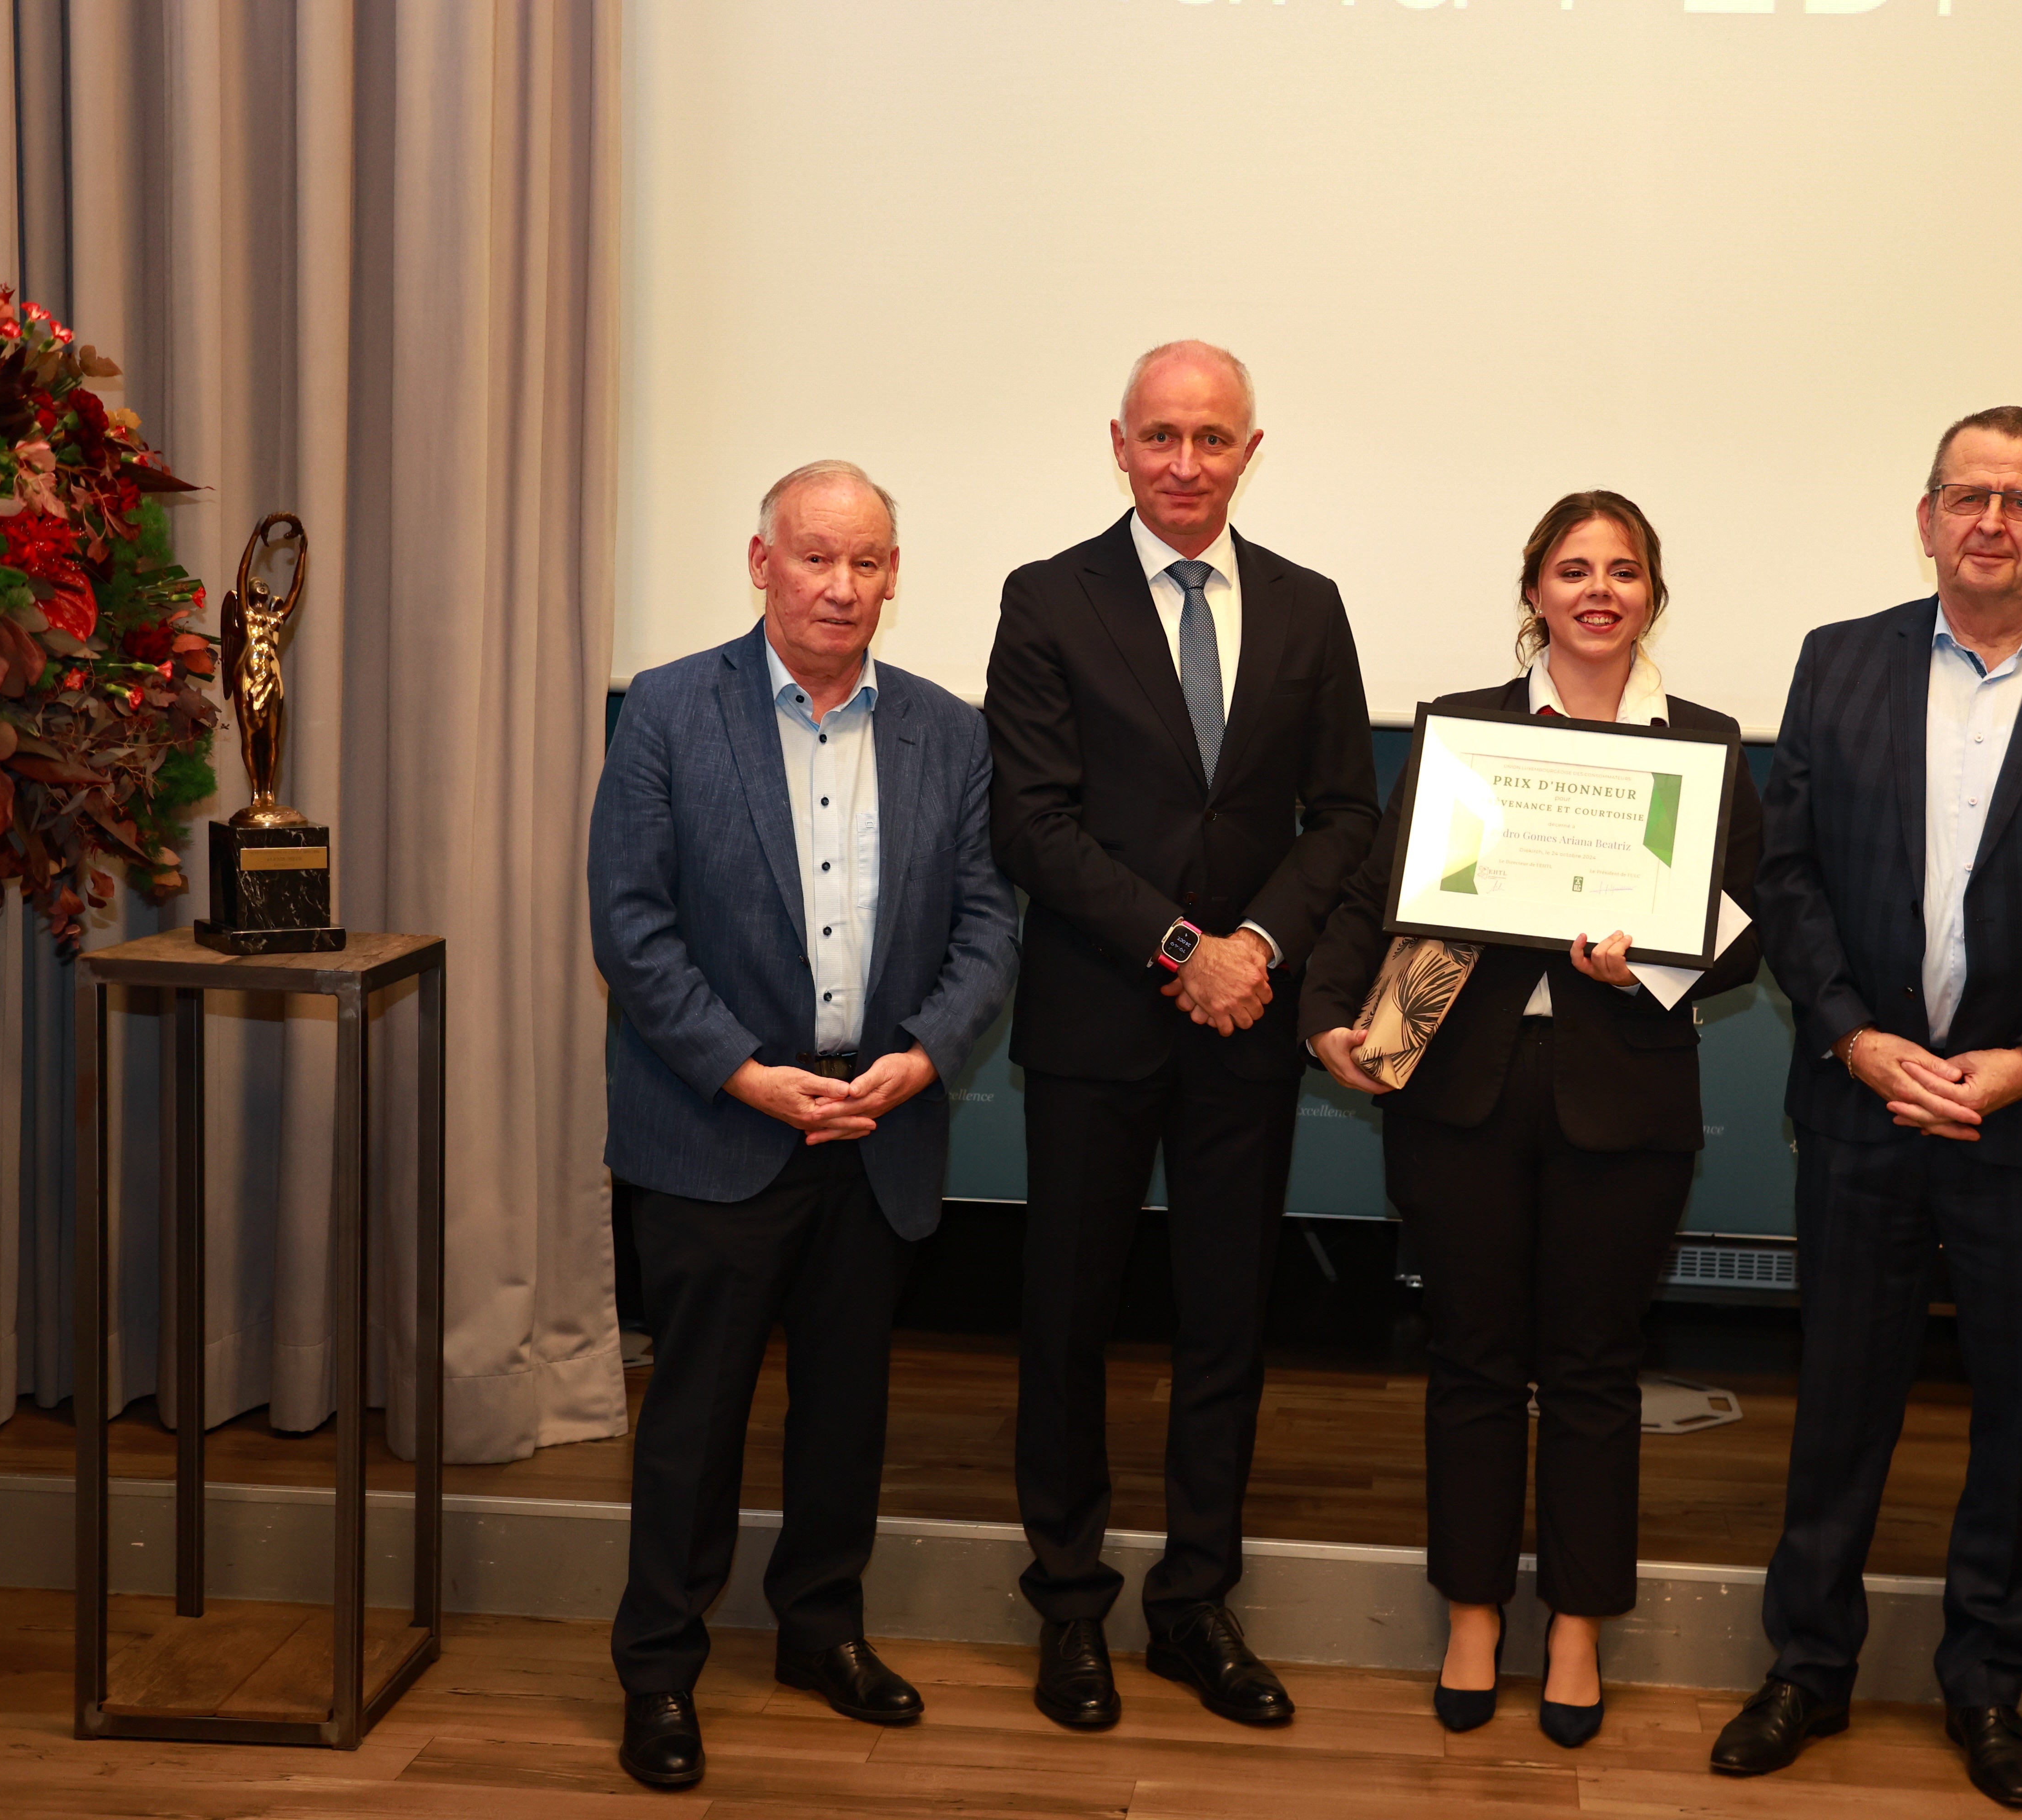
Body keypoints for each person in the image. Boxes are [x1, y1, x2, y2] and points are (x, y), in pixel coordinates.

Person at [1715, 409, 2022, 1809]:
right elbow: (1788, 875)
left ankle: (1988, 1682)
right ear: (1925, 518)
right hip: (1866, 1104)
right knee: (1839, 1405)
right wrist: (1856, 1040)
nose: (1991, 520)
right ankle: (1809, 1667)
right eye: (1967, 495)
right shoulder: (1840, 661)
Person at [1302, 491, 1760, 1749]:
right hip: (1464, 1094)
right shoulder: (1466, 731)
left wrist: (1646, 959)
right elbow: (1385, 890)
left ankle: (1575, 1629)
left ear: (1652, 596)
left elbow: (1742, 941)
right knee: (1472, 1362)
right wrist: (1329, 1014)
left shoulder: (1705, 744)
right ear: (1535, 593)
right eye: (1573, 570)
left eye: (1623, 571)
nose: (1598, 591)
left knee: (1597, 1371)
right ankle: (1471, 1616)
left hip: (1627, 1101)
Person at [591, 461, 1018, 1789]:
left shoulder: (950, 731)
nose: (842, 586)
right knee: (695, 1422)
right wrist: (745, 1074)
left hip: (876, 1127)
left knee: (847, 1410)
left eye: (867, 562)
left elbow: (990, 922)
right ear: (761, 561)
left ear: (894, 577)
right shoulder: (670, 711)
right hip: (719, 1125)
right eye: (817, 557)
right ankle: (660, 1672)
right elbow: (632, 927)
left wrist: (923, 1058)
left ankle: (820, 1629)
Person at [985, 341, 1380, 1730]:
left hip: (1246, 1030)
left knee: (1226, 1325)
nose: (1187, 462)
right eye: (1162, 435)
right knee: (1067, 1322)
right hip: (1098, 1021)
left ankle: (1196, 1602)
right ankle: (1069, 1604)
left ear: (1250, 452)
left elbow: (1345, 813)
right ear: (1120, 445)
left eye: (1214, 438)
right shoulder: (1048, 599)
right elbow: (1031, 825)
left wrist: (1254, 949)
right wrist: (1180, 950)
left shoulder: (1308, 606)